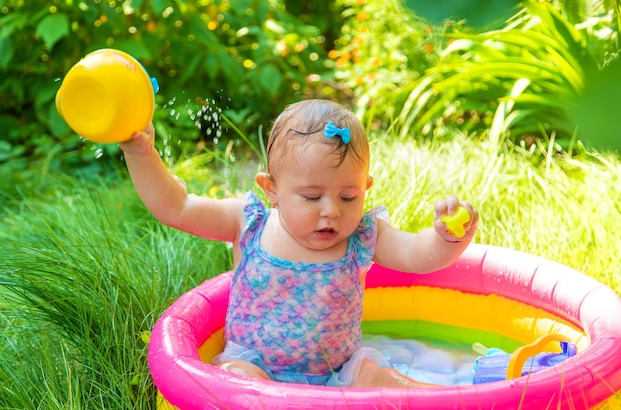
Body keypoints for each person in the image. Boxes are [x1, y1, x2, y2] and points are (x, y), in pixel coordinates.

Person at [120, 99, 479, 388]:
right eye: (311, 197)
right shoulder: (248, 222)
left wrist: (447, 238)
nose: (331, 212)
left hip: (339, 374)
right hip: (256, 366)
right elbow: (176, 207)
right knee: (237, 381)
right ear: (272, 189)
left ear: (365, 189)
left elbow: (419, 257)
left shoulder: (364, 235)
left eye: (348, 197)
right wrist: (142, 155)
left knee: (380, 377)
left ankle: (453, 398)